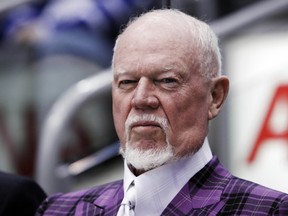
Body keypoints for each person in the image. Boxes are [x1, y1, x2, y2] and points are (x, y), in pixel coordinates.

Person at [36, 9, 288, 215]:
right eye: (127, 82)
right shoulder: (58, 210)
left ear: (215, 96)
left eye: (167, 80)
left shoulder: (269, 211)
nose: (141, 99)